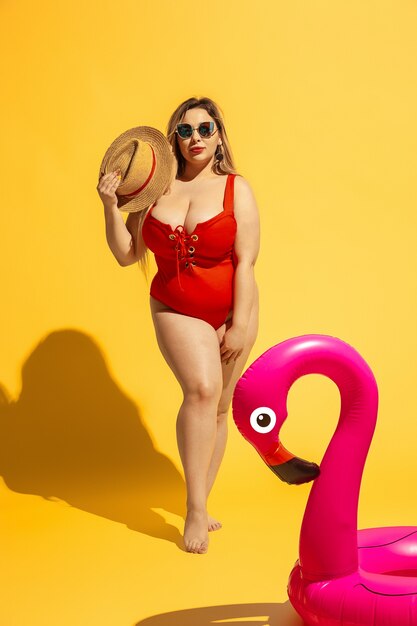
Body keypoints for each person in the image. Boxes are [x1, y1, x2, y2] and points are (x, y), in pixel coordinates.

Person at [97, 96, 260, 554]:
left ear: (219, 135)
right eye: (186, 131)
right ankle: (193, 508)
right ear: (174, 139)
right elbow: (127, 254)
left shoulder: (236, 189)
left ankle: (204, 502)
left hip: (232, 309)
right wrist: (110, 206)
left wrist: (240, 323)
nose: (196, 139)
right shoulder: (154, 189)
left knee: (222, 407)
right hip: (175, 305)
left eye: (206, 129)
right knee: (202, 391)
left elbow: (246, 263)